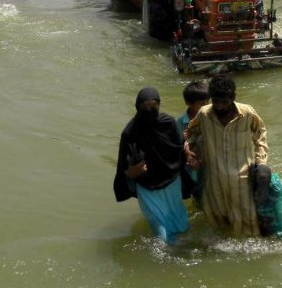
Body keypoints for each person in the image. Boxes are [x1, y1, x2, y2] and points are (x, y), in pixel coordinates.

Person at [186, 73, 269, 236]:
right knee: (218, 228)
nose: (220, 107)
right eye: (216, 102)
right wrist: (190, 153)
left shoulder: (247, 113)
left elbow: (260, 135)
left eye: (225, 102)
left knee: (250, 226)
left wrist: (261, 163)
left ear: (233, 97)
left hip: (242, 181)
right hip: (214, 181)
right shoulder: (204, 114)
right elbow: (190, 134)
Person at [114, 87, 190, 244]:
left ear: (159, 105)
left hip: (172, 183)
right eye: (145, 107)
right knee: (160, 235)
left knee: (181, 228)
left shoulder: (168, 123)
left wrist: (189, 152)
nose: (149, 110)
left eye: (153, 106)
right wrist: (132, 172)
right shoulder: (130, 132)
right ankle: (165, 262)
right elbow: (123, 167)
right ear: (137, 107)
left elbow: (179, 148)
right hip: (148, 189)